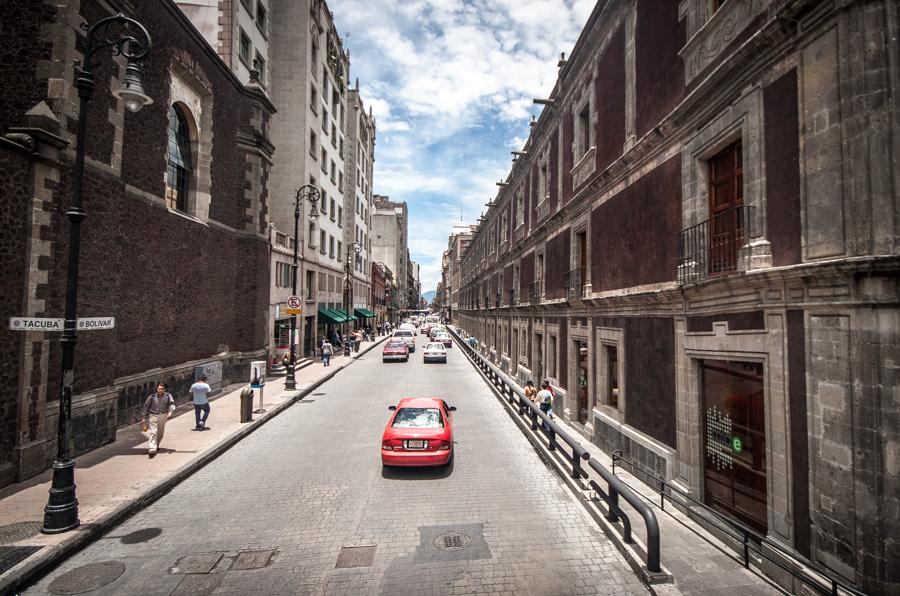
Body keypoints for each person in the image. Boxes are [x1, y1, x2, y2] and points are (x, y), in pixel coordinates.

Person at [142, 383, 175, 458]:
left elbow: (172, 404)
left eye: (161, 389)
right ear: (157, 389)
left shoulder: (168, 396)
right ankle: (152, 448)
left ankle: (156, 445)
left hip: (163, 415)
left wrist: (170, 412)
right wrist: (144, 417)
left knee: (160, 433)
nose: (160, 390)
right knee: (154, 432)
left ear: (164, 389)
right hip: (153, 415)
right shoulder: (152, 397)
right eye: (158, 389)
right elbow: (146, 406)